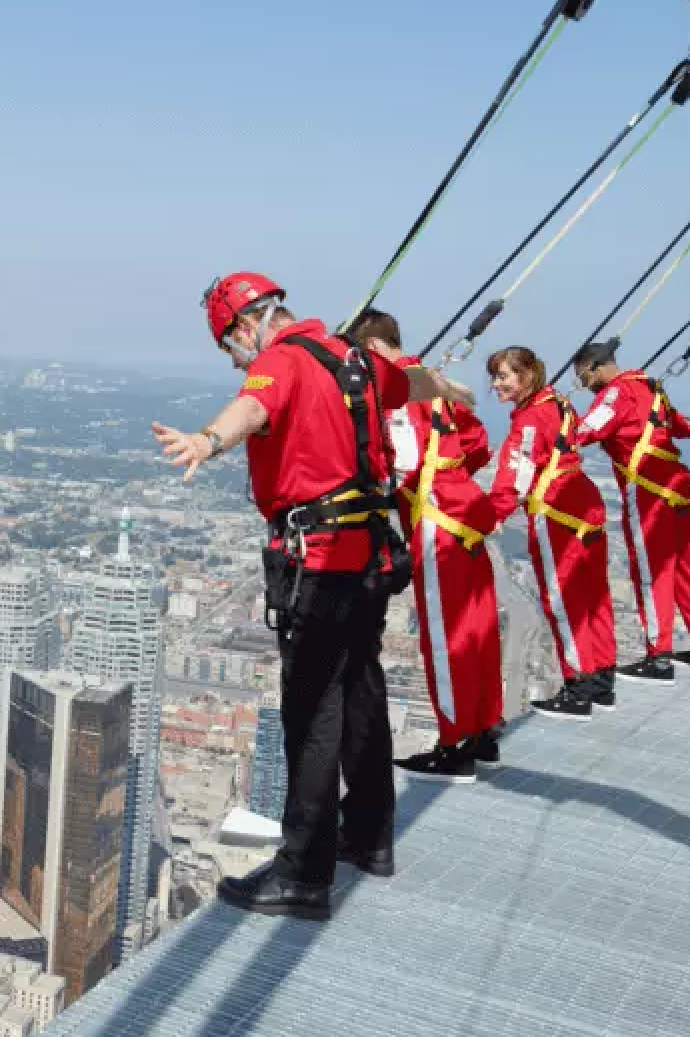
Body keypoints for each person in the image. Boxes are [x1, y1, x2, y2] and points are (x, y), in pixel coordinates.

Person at [152, 272, 471, 921]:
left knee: (312, 711)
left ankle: (303, 873)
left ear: (246, 325)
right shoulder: (353, 355)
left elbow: (254, 408)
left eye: (229, 345)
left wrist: (207, 441)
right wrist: (449, 385)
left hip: (318, 562)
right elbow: (413, 385)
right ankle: (370, 836)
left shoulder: (280, 361)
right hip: (373, 555)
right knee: (361, 689)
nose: (235, 356)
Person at [345, 308, 501, 780]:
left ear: (371, 349)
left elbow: (401, 463)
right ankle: (482, 729)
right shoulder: (439, 384)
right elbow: (479, 444)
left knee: (445, 636)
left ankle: (455, 745)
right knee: (477, 629)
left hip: (436, 521)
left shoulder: (399, 392)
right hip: (466, 513)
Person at [474, 345, 618, 720]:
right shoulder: (559, 403)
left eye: (504, 376)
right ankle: (601, 679)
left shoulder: (530, 420)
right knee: (593, 598)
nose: (497, 384)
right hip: (585, 506)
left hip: (557, 515)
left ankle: (578, 687)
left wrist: (489, 516)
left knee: (564, 601)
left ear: (525, 376)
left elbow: (515, 476)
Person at [569, 341, 690, 679]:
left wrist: (557, 425)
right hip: (677, 488)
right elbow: (682, 427)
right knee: (687, 568)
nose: (582, 384)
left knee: (653, 573)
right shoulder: (652, 387)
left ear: (593, 366)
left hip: (648, 492)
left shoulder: (614, 394)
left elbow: (585, 430)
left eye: (581, 376)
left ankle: (659, 656)